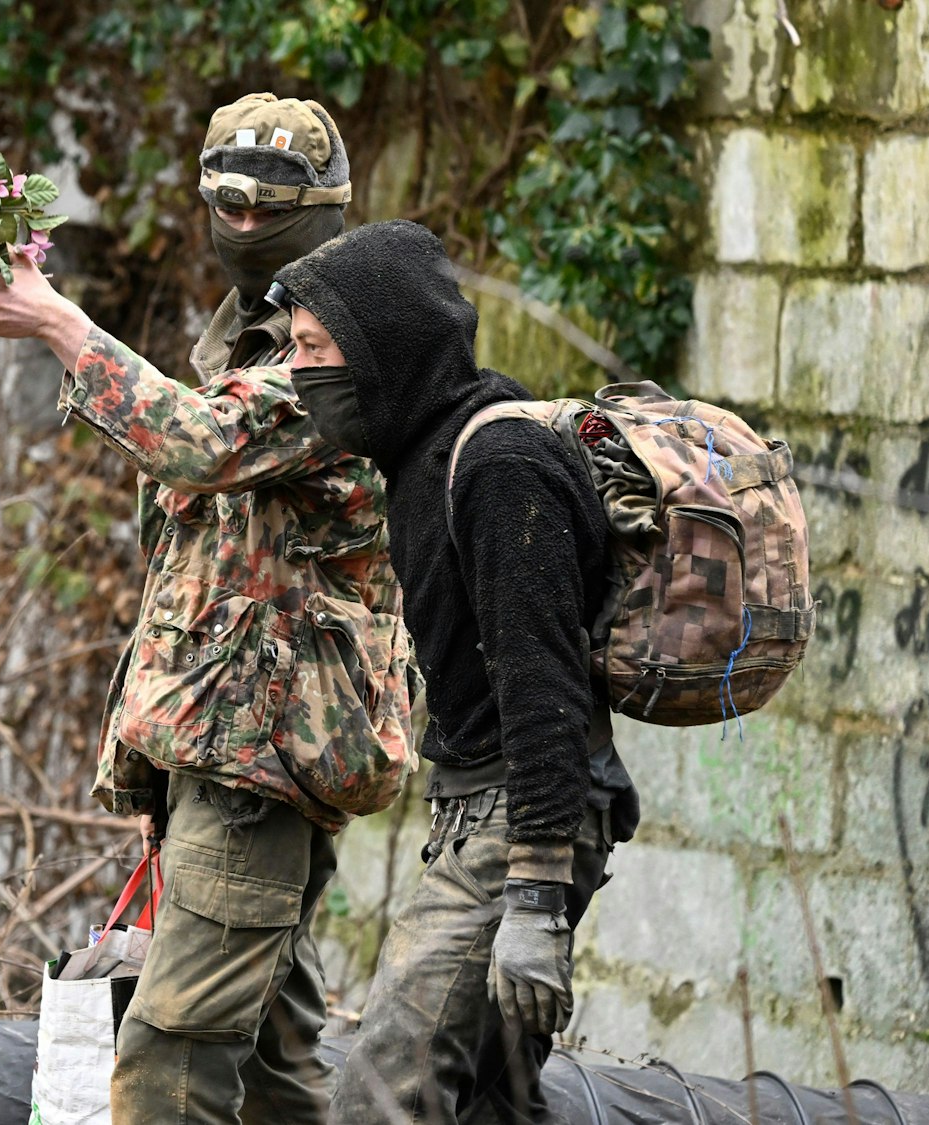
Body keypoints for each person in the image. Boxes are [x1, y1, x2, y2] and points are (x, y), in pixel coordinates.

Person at [0, 95, 420, 1124]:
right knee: (272, 1066)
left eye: (268, 210)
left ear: (327, 213)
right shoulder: (252, 340)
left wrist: (57, 323)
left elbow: (202, 444)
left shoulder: (343, 355)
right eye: (223, 206)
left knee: (169, 1055)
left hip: (259, 757)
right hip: (229, 743)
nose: (242, 227)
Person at [269, 220, 642, 1124]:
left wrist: (534, 899)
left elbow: (547, 693)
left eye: (314, 348)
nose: (294, 371)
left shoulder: (498, 467)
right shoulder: (422, 457)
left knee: (381, 1094)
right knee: (488, 1108)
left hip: (523, 819)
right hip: (485, 811)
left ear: (381, 348)